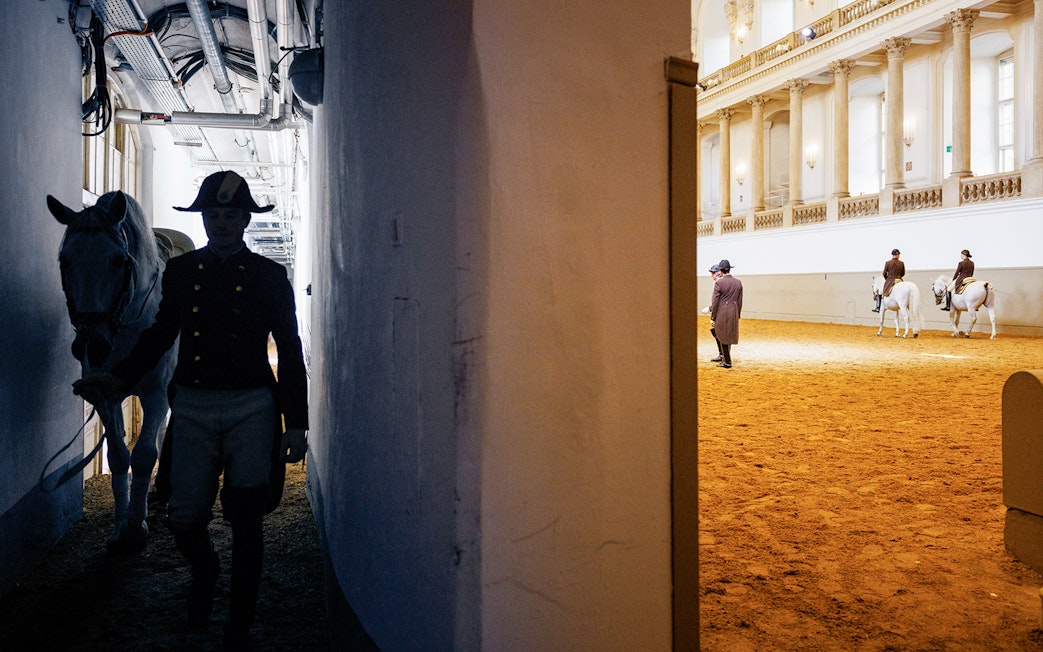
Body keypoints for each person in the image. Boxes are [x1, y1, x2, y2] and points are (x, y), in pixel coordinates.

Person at [72, 171, 308, 650]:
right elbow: (160, 336)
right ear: (204, 220)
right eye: (213, 215)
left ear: (245, 220)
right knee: (182, 517)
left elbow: (289, 348)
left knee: (247, 519)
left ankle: (239, 622)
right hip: (195, 402)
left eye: (231, 215)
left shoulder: (269, 276)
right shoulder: (180, 273)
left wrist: (296, 423)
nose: (221, 223)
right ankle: (205, 571)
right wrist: (117, 379)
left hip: (252, 405)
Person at [709, 259, 742, 368]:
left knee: (721, 334)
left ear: (721, 270)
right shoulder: (738, 282)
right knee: (728, 334)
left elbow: (715, 301)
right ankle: (725, 358)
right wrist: (738, 314)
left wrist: (713, 316)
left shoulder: (719, 283)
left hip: (722, 311)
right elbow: (740, 301)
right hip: (734, 311)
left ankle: (727, 361)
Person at [703, 264, 726, 362]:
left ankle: (723, 355)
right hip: (723, 312)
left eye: (712, 273)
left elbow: (717, 302)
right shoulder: (722, 283)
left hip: (721, 313)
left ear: (716, 273)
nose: (711, 275)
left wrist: (711, 310)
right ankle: (722, 354)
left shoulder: (719, 284)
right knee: (717, 333)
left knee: (719, 334)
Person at [874, 248, 905, 312]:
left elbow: (884, 273)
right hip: (899, 280)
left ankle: (879, 306)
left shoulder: (888, 263)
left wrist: (888, 279)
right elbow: (903, 273)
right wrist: (899, 277)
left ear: (892, 255)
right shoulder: (901, 263)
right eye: (898, 254)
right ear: (897, 255)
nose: (899, 256)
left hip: (891, 280)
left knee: (882, 292)